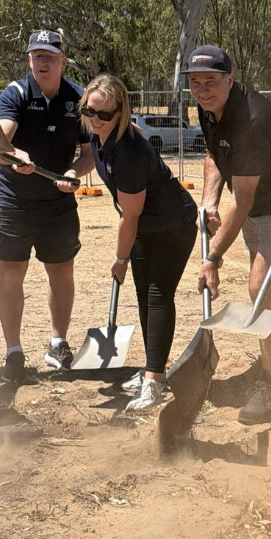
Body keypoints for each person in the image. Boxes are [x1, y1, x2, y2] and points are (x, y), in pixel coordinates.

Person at [184, 45, 271, 425]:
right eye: (195, 82)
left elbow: (241, 202)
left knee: (261, 287)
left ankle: (270, 384)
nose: (203, 90)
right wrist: (208, 201)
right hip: (256, 208)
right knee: (263, 289)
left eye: (211, 81)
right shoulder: (208, 110)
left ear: (230, 80)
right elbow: (214, 156)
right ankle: (270, 364)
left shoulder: (253, 120)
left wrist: (212, 259)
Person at [69, 74, 197, 410]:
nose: (95, 119)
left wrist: (120, 259)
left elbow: (130, 216)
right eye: (89, 110)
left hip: (172, 223)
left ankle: (153, 381)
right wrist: (73, 175)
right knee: (144, 297)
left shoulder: (128, 151)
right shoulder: (98, 135)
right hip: (144, 225)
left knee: (157, 295)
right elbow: (94, 163)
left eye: (104, 114)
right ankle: (152, 370)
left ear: (120, 113)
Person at [0, 29, 94, 384]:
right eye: (37, 55)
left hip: (57, 203)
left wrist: (73, 172)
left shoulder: (79, 99)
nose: (43, 62)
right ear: (29, 60)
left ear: (64, 61)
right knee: (11, 271)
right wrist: (14, 153)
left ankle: (58, 343)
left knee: (62, 272)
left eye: (50, 56)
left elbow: (89, 154)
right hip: (13, 200)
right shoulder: (15, 94)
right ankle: (13, 353)